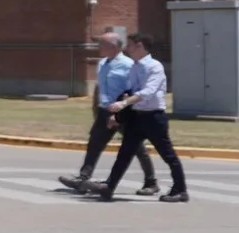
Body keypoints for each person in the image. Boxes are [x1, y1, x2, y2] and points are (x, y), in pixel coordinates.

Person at [91, 33, 188, 203]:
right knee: (124, 153)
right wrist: (119, 115)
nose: (127, 49)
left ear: (140, 46)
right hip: (136, 116)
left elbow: (147, 92)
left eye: (130, 45)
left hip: (154, 118)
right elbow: (129, 91)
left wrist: (123, 103)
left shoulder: (155, 67)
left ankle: (180, 190)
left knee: (168, 155)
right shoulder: (134, 67)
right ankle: (109, 187)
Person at [59, 31, 158, 196]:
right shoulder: (102, 63)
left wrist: (120, 112)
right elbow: (100, 87)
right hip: (105, 110)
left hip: (124, 112)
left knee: (137, 147)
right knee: (94, 144)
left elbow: (131, 90)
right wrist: (96, 108)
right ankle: (83, 178)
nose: (98, 48)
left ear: (113, 47)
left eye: (102, 45)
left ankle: (151, 182)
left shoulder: (128, 65)